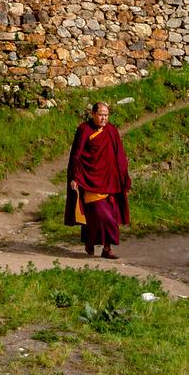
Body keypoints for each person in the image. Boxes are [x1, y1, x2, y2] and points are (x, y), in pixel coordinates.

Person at [65, 101, 131, 259]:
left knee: (111, 216)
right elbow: (77, 155)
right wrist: (75, 177)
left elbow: (119, 155)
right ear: (93, 114)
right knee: (98, 215)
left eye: (106, 115)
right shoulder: (84, 130)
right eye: (101, 115)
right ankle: (90, 241)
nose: (104, 118)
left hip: (109, 180)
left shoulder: (112, 131)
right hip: (89, 179)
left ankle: (106, 249)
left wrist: (123, 176)